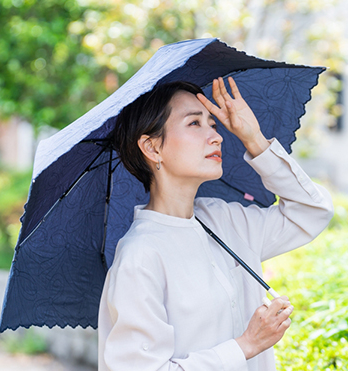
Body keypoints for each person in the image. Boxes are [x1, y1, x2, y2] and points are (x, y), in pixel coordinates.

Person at [98, 77, 334, 370]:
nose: (217, 136)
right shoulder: (140, 257)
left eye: (213, 124)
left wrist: (254, 139)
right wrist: (245, 346)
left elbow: (312, 211)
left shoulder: (224, 219)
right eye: (194, 124)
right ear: (152, 148)